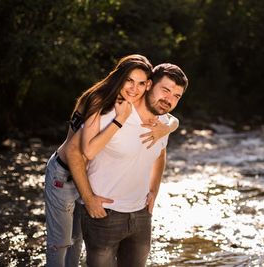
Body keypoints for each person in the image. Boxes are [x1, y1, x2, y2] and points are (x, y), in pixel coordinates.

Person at [44, 54, 179, 267]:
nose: (135, 88)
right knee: (60, 242)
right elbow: (77, 152)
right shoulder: (103, 102)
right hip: (64, 173)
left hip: (86, 175)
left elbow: (169, 123)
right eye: (130, 81)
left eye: (141, 83)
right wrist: (120, 119)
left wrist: (169, 126)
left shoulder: (134, 106)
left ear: (148, 85)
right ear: (120, 78)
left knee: (76, 241)